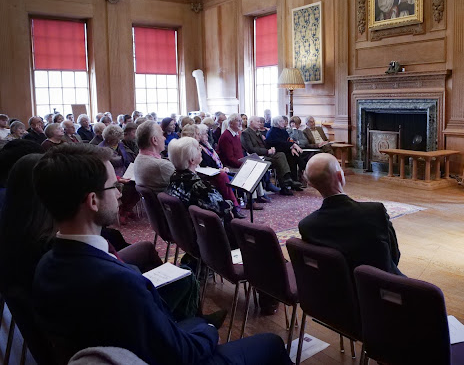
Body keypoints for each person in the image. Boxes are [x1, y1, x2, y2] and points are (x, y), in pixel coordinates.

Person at [31, 144, 291, 364]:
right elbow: (180, 354)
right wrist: (209, 330)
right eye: (114, 186)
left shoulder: (46, 264)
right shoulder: (116, 282)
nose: (121, 193)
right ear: (93, 201)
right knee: (270, 343)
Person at [299, 153, 402, 276]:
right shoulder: (375, 211)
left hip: (338, 290)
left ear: (311, 185)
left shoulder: (307, 226)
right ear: (340, 176)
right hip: (381, 288)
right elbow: (395, 256)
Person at [166, 137, 237, 239]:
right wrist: (230, 204)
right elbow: (223, 207)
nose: (201, 149)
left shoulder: (174, 178)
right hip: (209, 236)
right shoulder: (199, 187)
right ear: (192, 160)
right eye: (198, 148)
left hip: (185, 234)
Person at [242, 115, 302, 196]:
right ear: (251, 122)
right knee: (280, 158)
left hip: (264, 154)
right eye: (258, 121)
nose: (260, 123)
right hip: (255, 157)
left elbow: (267, 144)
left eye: (260, 121)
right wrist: (267, 151)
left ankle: (287, 179)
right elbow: (251, 149)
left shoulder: (258, 133)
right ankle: (284, 183)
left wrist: (289, 147)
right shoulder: (245, 133)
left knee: (281, 155)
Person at [133, 121, 175, 192]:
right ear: (154, 140)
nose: (164, 138)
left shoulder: (139, 158)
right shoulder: (161, 165)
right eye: (162, 134)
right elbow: (190, 183)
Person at [266, 116, 305, 187]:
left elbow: (287, 140)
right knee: (291, 155)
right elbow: (278, 143)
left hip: (284, 150)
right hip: (276, 152)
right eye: (282, 121)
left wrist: (292, 147)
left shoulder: (283, 131)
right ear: (277, 123)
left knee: (293, 154)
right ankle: (293, 177)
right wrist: (292, 145)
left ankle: (294, 179)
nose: (284, 122)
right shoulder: (272, 131)